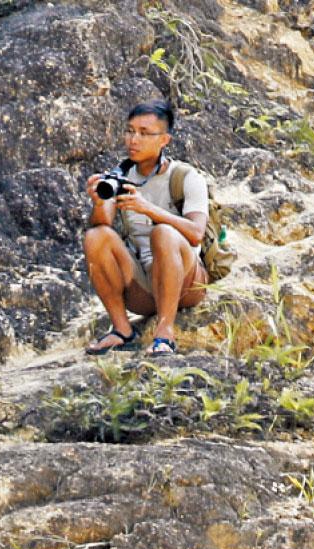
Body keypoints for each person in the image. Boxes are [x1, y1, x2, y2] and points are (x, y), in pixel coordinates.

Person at [83, 98, 208, 357]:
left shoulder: (186, 176)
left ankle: (165, 333)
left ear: (164, 140)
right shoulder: (121, 175)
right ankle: (121, 330)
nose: (133, 140)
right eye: (129, 131)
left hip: (186, 283)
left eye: (144, 133)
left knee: (162, 232)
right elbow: (103, 225)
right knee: (95, 236)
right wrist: (98, 202)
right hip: (144, 287)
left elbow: (197, 234)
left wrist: (149, 209)